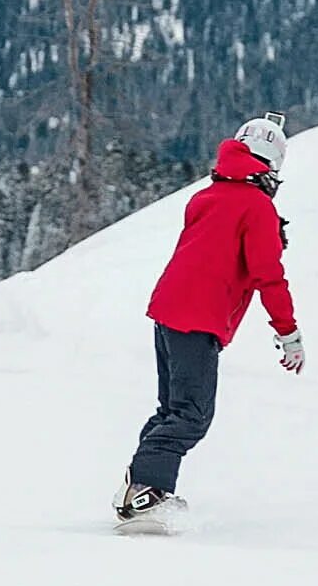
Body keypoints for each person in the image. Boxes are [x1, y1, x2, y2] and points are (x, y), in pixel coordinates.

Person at [116, 113, 303, 530]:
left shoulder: (207, 196)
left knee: (173, 410)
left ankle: (144, 489)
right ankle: (144, 493)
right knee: (192, 415)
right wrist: (288, 333)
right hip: (198, 317)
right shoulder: (256, 207)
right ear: (272, 166)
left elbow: (217, 249)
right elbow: (267, 276)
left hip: (168, 309)